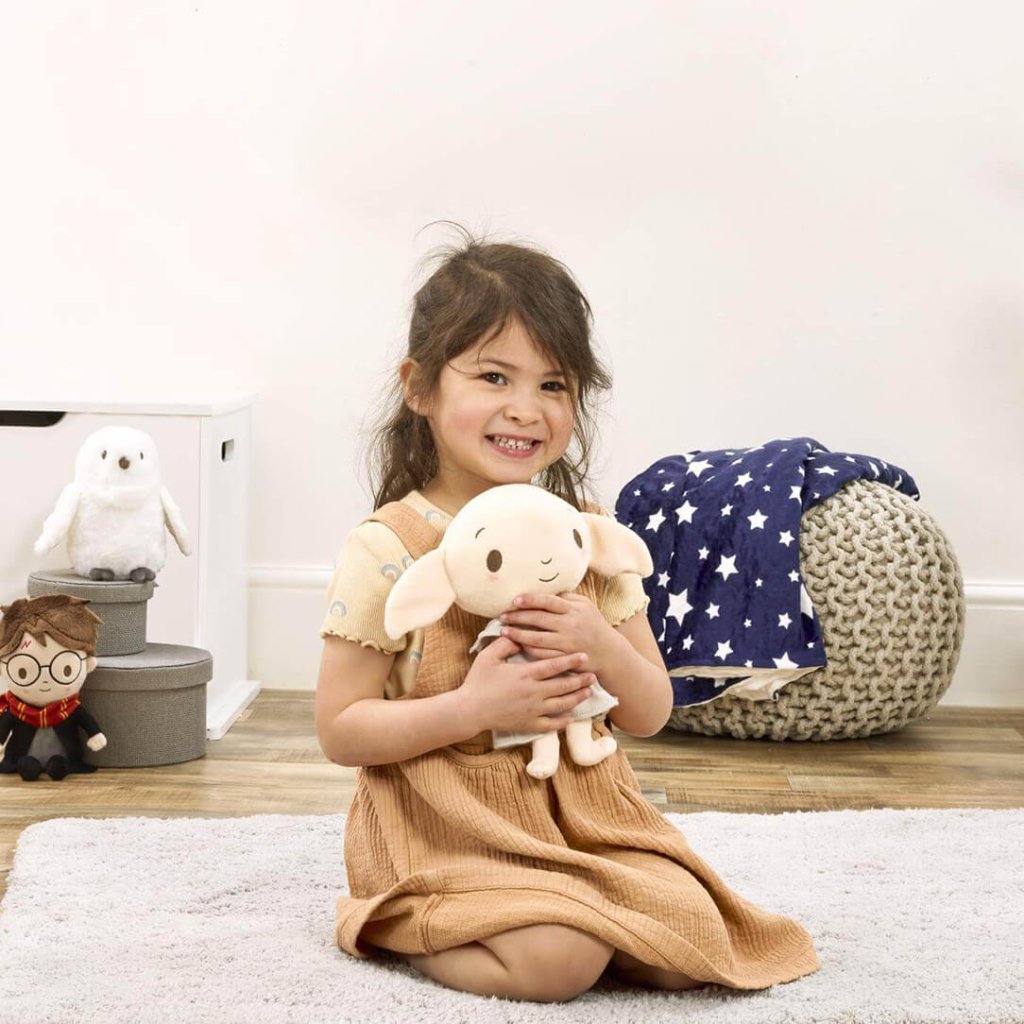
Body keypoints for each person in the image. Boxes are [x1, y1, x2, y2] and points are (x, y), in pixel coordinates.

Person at [314, 223, 821, 1004]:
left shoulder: (587, 537)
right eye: (494, 376)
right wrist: (471, 708)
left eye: (553, 385)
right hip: (448, 829)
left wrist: (601, 645)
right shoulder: (390, 547)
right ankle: (399, 923)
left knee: (692, 939)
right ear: (420, 388)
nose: (525, 409)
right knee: (557, 963)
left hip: (588, 819)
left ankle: (585, 910)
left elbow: (650, 710)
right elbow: (340, 729)